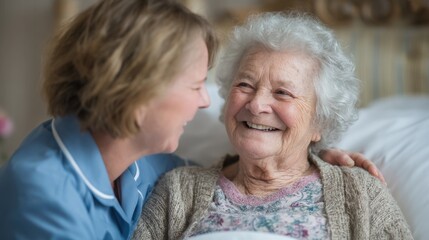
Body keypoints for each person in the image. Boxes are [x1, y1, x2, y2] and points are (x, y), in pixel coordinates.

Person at [0, 0, 383, 239]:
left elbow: (236, 168)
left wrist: (310, 153)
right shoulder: (43, 192)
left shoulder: (149, 164)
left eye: (283, 92)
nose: (205, 102)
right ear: (137, 93)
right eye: (196, 84)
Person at [133, 12, 412, 240]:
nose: (256, 105)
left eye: (283, 93)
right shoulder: (179, 189)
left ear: (320, 121)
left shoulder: (360, 193)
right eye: (245, 85)